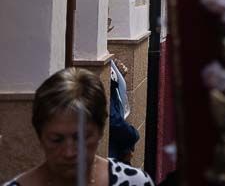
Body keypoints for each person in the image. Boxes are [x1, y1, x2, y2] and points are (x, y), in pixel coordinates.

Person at [4, 67, 153, 186]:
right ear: (40, 135)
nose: (69, 152)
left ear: (100, 131)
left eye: (81, 138)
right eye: (56, 139)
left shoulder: (135, 183)